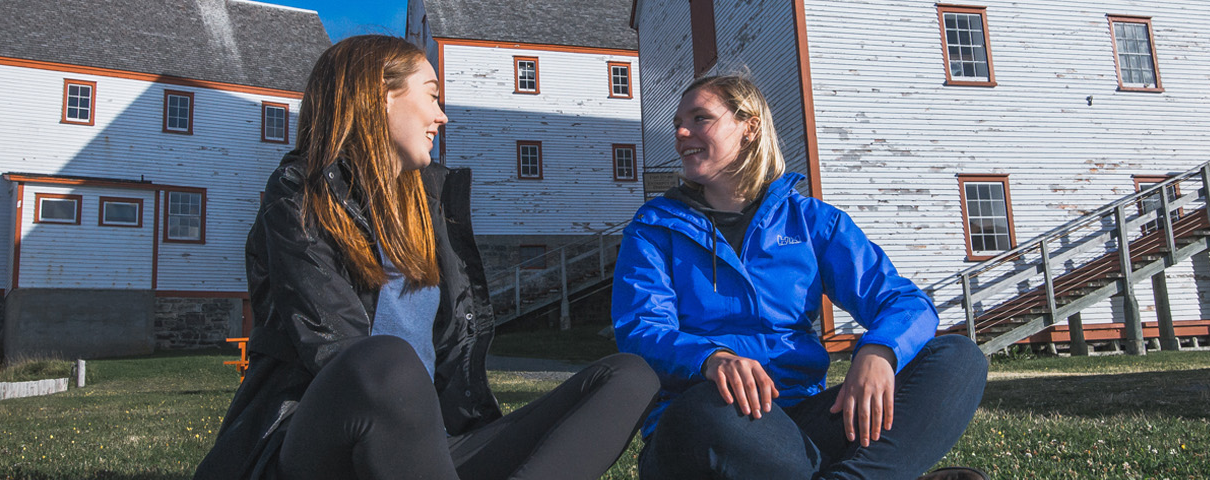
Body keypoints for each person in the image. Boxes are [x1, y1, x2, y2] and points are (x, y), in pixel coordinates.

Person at [195, 35, 657, 480]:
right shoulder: (298, 195)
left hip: (433, 446)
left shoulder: (431, 203)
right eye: (432, 97)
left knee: (630, 376)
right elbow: (336, 354)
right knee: (387, 362)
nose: (442, 117)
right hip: (324, 440)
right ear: (379, 97)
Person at [612, 74, 990, 480]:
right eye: (678, 124)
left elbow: (904, 302)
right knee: (714, 405)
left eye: (700, 118)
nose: (682, 133)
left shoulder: (811, 222)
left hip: (797, 423)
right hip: (703, 424)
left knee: (958, 358)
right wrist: (711, 359)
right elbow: (641, 328)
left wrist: (880, 351)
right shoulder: (654, 229)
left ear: (750, 127)